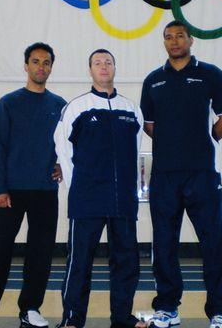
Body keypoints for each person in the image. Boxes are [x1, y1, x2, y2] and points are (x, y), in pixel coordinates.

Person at [0, 42, 67, 328]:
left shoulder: (59, 106)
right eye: (35, 62)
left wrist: (62, 166)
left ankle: (30, 308)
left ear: (51, 68)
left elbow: (67, 146)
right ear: (26, 66)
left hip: (45, 192)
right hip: (11, 192)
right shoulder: (8, 103)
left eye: (46, 63)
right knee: (0, 252)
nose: (41, 67)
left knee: (41, 252)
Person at [140, 21, 222, 328]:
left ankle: (221, 311)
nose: (174, 41)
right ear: (164, 42)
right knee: (164, 244)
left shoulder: (211, 75)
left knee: (213, 243)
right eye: (168, 37)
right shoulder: (153, 81)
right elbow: (149, 125)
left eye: (179, 36)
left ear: (190, 39)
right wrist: (173, 143)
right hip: (165, 176)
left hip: (202, 174)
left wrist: (202, 140)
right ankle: (168, 308)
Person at [54, 49, 146, 328]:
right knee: (80, 262)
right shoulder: (76, 108)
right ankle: (72, 319)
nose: (103, 67)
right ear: (90, 70)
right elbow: (63, 150)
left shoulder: (131, 109)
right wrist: (79, 186)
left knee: (126, 262)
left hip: (123, 203)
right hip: (87, 200)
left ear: (115, 68)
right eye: (97, 63)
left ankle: (122, 318)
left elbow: (137, 148)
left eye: (108, 62)